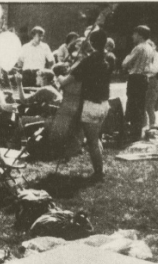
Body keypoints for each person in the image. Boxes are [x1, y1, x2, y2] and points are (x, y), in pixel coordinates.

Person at [59, 30, 112, 180]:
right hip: (104, 104)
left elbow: (65, 82)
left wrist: (58, 74)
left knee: (92, 142)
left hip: (91, 105)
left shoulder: (88, 61)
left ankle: (99, 173)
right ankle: (101, 168)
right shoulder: (108, 57)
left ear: (91, 43)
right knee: (96, 138)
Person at [121, 25, 156, 143]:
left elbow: (125, 63)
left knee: (132, 104)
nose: (132, 36)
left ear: (140, 35)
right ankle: (137, 133)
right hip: (144, 78)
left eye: (134, 34)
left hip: (135, 77)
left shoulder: (138, 47)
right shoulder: (150, 48)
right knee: (140, 106)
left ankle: (131, 133)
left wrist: (128, 62)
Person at [144, 41, 158, 130]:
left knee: (149, 105)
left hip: (152, 81)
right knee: (143, 105)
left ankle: (152, 125)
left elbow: (155, 69)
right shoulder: (147, 55)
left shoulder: (156, 56)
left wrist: (143, 68)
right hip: (144, 81)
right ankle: (144, 125)